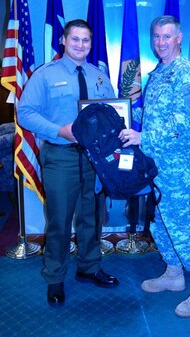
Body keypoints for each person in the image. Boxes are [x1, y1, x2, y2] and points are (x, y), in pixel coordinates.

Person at [17, 19, 119, 306]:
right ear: (63, 40)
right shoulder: (45, 75)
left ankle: (89, 267)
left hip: (94, 158)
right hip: (61, 155)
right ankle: (55, 277)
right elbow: (25, 113)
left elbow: (111, 113)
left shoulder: (99, 76)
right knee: (60, 221)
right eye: (75, 39)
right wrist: (58, 130)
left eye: (86, 40)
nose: (81, 45)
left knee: (92, 215)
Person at [119, 15, 190, 317]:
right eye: (157, 36)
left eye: (167, 36)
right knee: (160, 222)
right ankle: (173, 274)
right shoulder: (159, 73)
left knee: (183, 226)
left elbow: (186, 125)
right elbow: (155, 114)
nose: (161, 42)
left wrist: (143, 136)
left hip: (177, 170)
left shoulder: (187, 74)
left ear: (179, 37)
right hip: (155, 165)